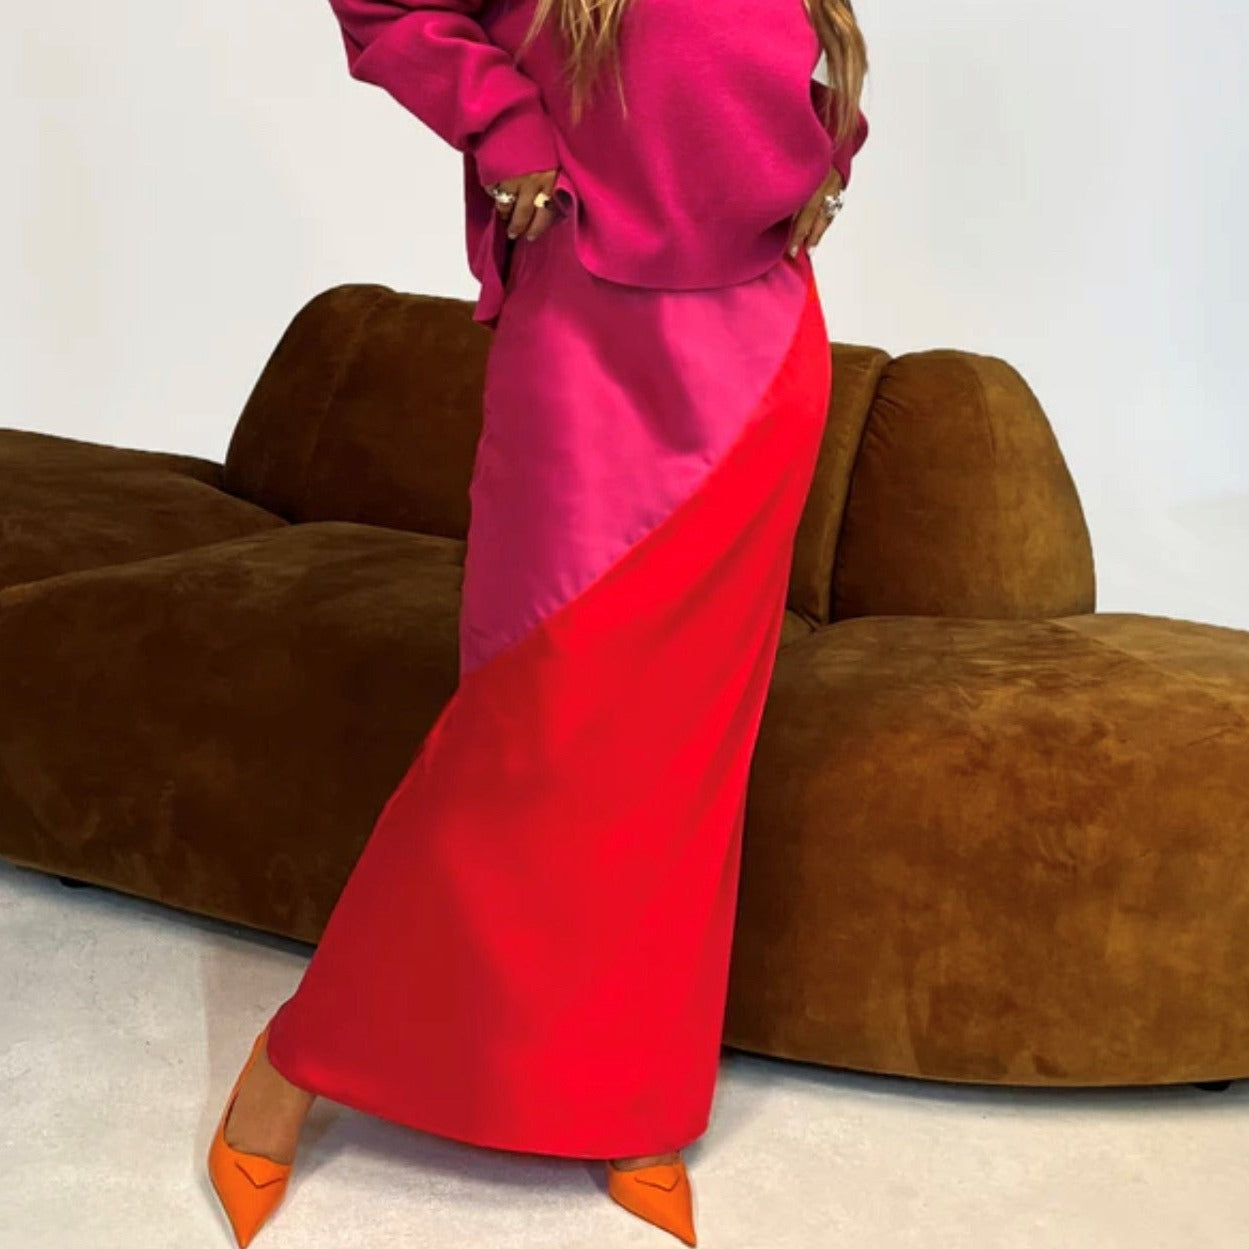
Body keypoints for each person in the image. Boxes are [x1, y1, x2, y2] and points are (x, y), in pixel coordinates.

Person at [206, 0, 870, 1244]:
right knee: (528, 728)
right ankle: (299, 1060)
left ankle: (633, 1095)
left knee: (683, 755)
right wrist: (503, 121)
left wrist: (827, 138)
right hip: (588, 327)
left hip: (762, 341)